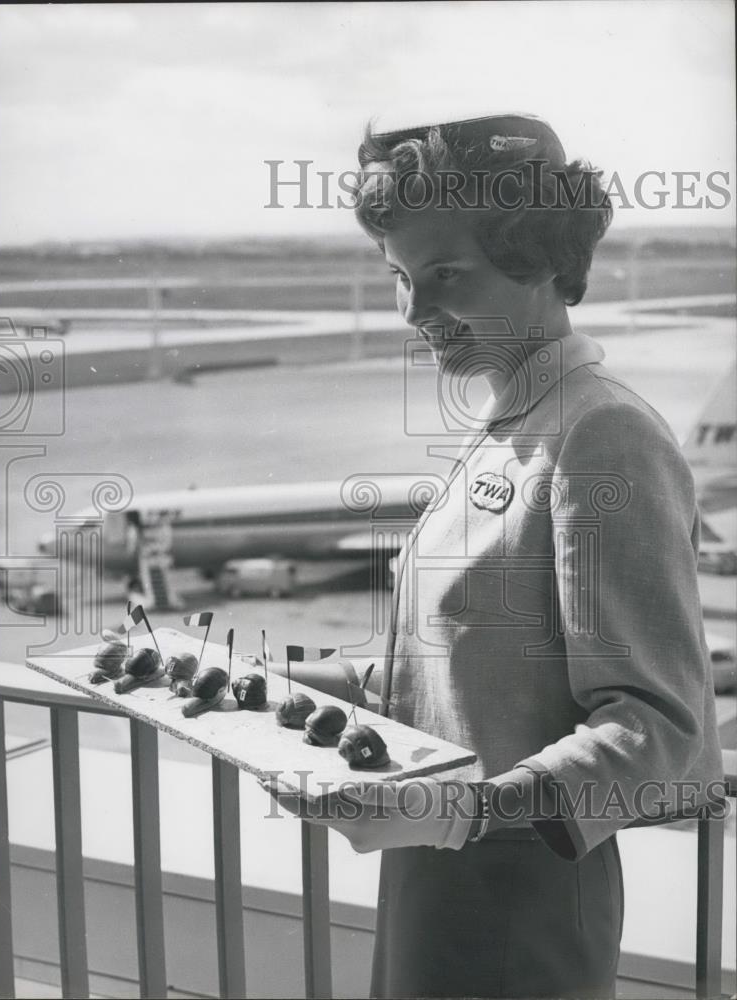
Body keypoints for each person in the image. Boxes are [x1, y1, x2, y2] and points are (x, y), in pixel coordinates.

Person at [262, 114, 724, 998]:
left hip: (523, 895)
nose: (413, 311)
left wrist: (462, 812)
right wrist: (265, 688)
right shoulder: (509, 424)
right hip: (434, 875)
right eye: (400, 277)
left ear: (543, 259)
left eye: (445, 274)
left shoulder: (602, 433)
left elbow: (663, 729)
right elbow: (466, 664)